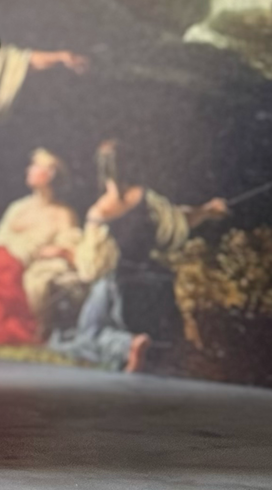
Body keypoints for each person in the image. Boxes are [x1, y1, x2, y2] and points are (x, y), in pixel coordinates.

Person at [51, 139, 229, 373]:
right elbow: (178, 220)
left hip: (118, 286)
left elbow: (92, 268)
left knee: (84, 335)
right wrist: (207, 210)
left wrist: (67, 253)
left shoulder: (100, 211)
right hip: (153, 283)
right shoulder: (148, 199)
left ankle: (128, 346)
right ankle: (133, 350)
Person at [0, 149, 84, 345]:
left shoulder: (62, 213)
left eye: (36, 166)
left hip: (16, 260)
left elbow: (71, 246)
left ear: (50, 175)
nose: (29, 170)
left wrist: (57, 251)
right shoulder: (18, 206)